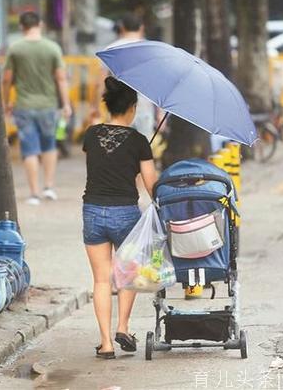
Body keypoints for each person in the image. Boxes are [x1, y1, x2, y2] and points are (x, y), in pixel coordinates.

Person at [82, 76, 157, 359]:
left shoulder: (91, 135)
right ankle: (123, 327)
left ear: (108, 105)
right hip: (126, 214)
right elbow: (150, 184)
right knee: (127, 276)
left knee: (102, 280)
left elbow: (98, 164)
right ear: (132, 108)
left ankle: (106, 344)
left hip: (92, 211)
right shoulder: (139, 141)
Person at [2, 11, 72, 205]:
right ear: (40, 24)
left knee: (30, 149)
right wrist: (65, 104)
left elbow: (7, 79)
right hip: (48, 105)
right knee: (49, 146)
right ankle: (49, 187)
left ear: (22, 27)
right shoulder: (52, 48)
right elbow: (61, 78)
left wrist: (5, 102)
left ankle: (34, 193)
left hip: (23, 106)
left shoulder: (15, 49)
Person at [97, 13, 158, 140]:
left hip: (118, 107)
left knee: (118, 149)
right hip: (144, 106)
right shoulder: (151, 49)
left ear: (122, 28)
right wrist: (160, 112)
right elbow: (157, 82)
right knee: (144, 149)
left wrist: (95, 106)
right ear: (141, 28)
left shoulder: (111, 49)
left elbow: (101, 82)